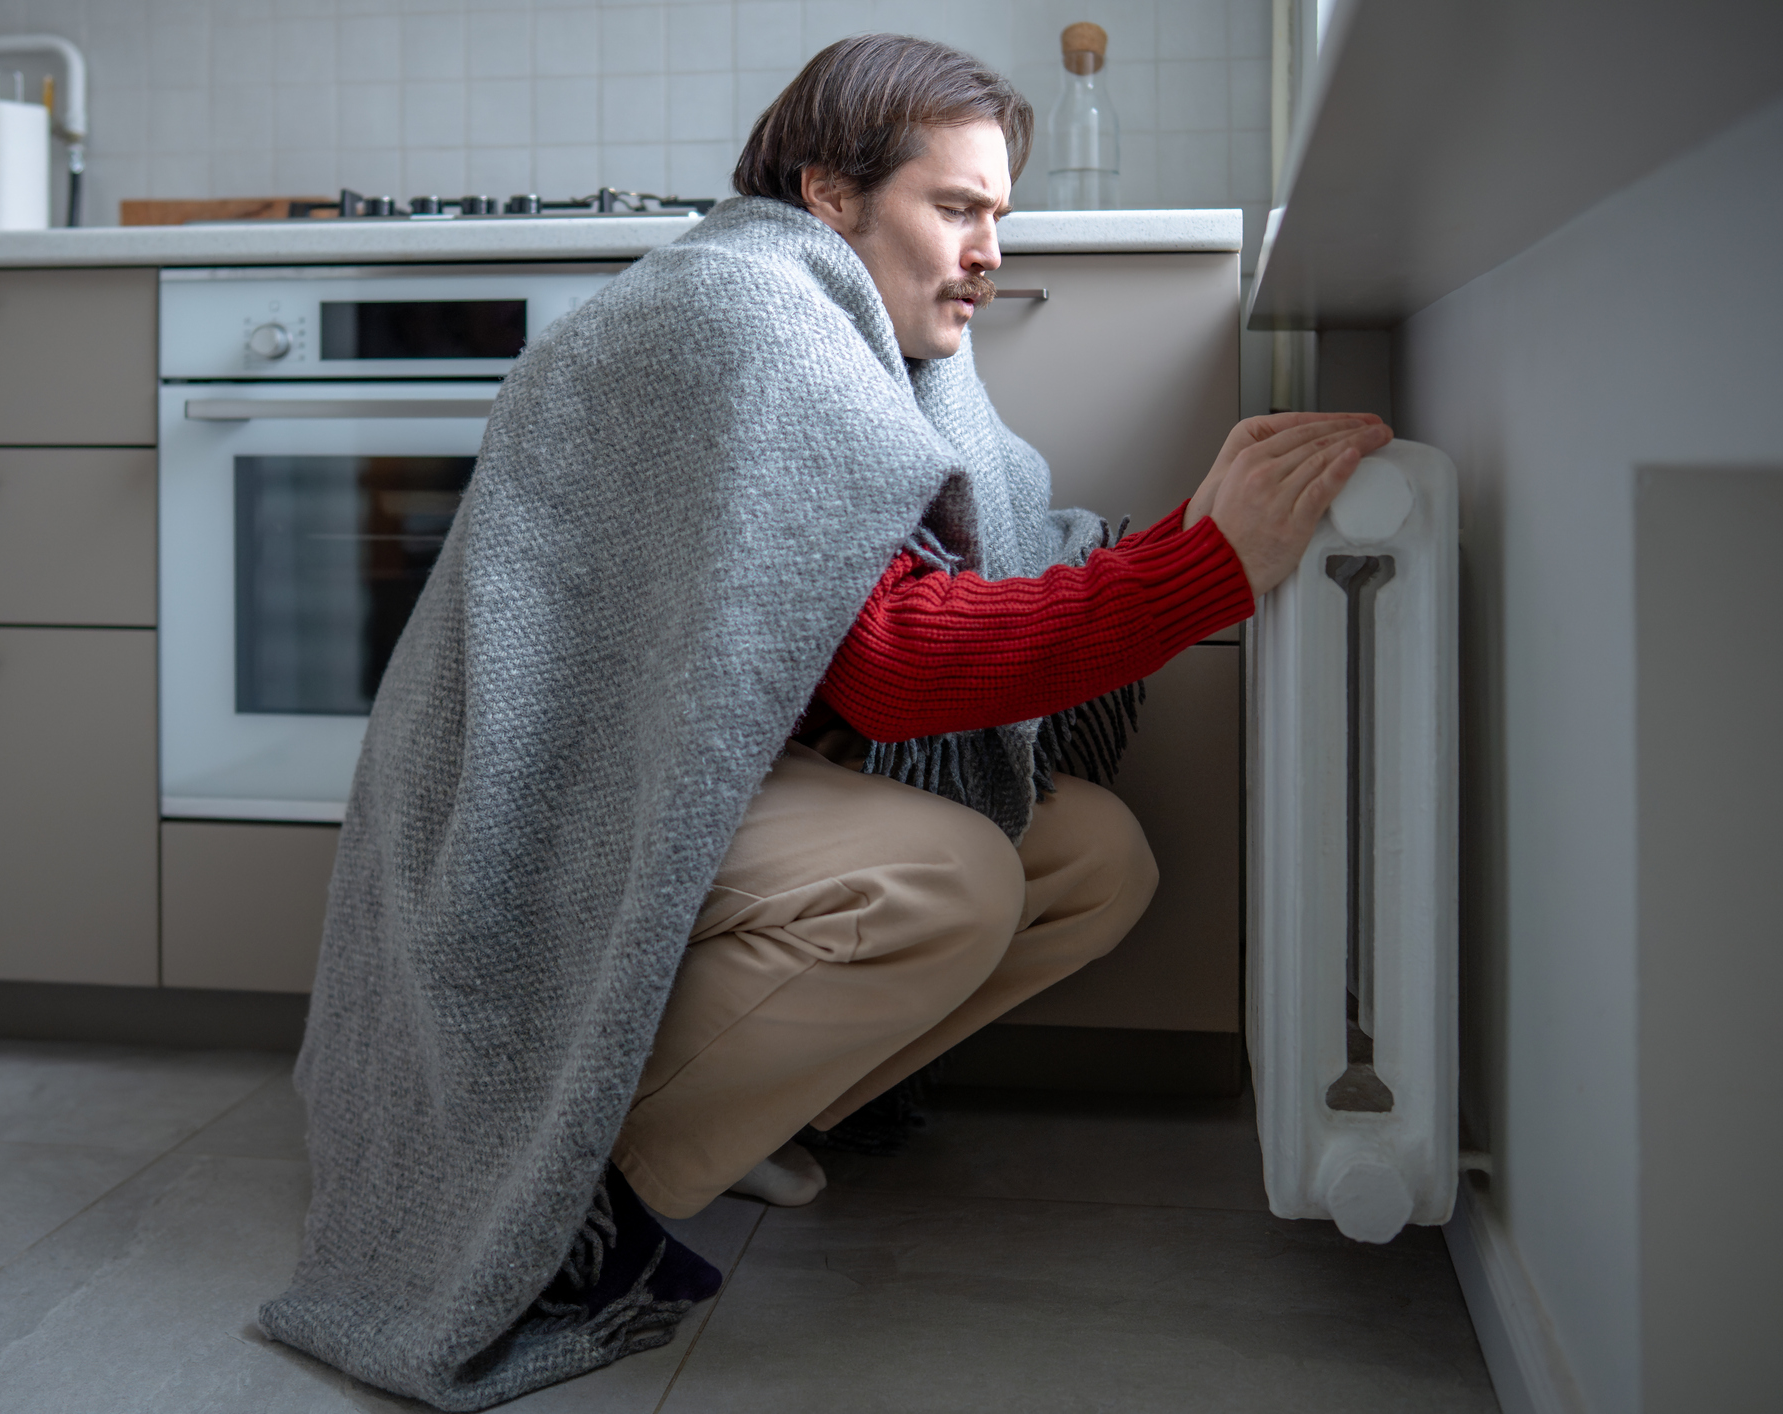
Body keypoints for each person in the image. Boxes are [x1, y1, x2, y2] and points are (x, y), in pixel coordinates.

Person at [260, 34, 1391, 1412]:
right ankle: (566, 1200)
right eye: (956, 207)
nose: (984, 250)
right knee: (945, 875)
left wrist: (1190, 532)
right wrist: (1204, 565)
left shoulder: (870, 344)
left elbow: (937, 589)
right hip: (551, 808)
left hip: (708, 780)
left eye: (999, 217)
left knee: (1091, 856)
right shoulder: (741, 314)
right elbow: (899, 666)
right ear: (829, 191)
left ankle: (714, 1108)